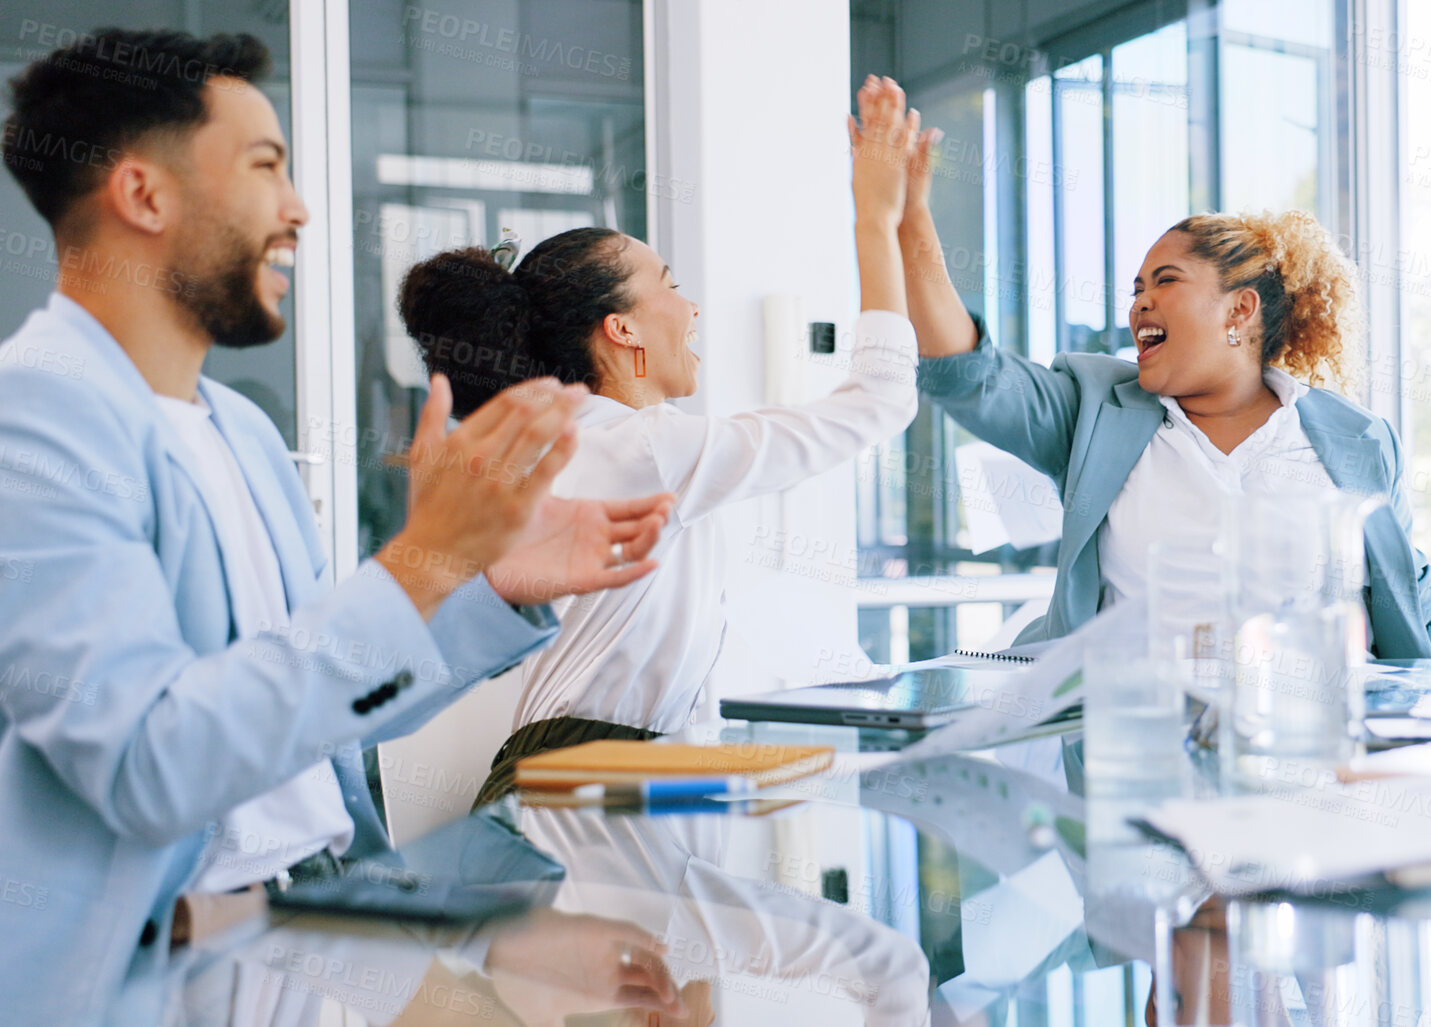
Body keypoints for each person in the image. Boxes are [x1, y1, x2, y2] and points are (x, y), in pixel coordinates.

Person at [0, 30, 674, 1023]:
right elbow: (153, 763)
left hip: (324, 914)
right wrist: (418, 563)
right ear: (145, 196)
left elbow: (316, 701)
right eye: (265, 167)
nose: (297, 208)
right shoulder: (34, 420)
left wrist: (476, 585)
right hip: (182, 963)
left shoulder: (240, 431)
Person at [397, 75, 923, 804]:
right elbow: (881, 400)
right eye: (670, 284)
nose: (694, 306)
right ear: (623, 330)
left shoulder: (582, 442)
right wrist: (878, 217)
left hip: (574, 767)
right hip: (582, 771)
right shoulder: (644, 446)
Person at [893, 125, 1431, 657]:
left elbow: (1414, 609)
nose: (1140, 301)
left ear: (1239, 309)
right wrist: (906, 217)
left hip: (1320, 754)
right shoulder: (1091, 416)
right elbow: (968, 373)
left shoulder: (1360, 440)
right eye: (1138, 287)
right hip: (1143, 751)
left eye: (1166, 281)